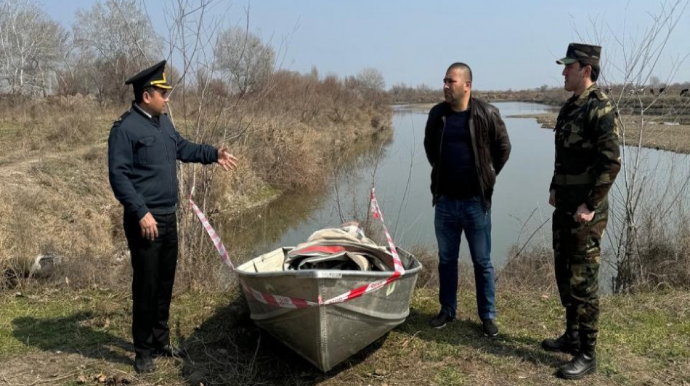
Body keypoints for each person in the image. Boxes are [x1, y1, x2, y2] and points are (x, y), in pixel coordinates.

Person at [108, 60, 238, 373]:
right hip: (146, 223)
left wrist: (213, 155)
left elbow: (183, 147)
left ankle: (160, 341)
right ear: (146, 95)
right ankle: (142, 353)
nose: (167, 98)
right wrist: (141, 212)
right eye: (162, 93)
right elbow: (119, 176)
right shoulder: (125, 130)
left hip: (169, 218)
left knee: (165, 282)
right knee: (146, 285)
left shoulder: (162, 123)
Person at [543, 43, 620, 380]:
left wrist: (591, 204)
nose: (563, 72)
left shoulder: (600, 108)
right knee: (565, 271)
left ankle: (587, 353)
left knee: (584, 281)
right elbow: (564, 157)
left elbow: (611, 162)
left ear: (586, 69)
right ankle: (571, 337)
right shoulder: (569, 108)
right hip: (565, 207)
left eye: (568, 67)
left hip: (586, 212)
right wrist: (555, 186)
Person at [423, 62, 511, 336]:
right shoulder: (438, 115)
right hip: (446, 202)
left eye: (451, 81)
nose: (446, 86)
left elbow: (503, 148)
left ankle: (487, 316)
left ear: (467, 86)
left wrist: (488, 174)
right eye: (445, 81)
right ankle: (447, 309)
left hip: (476, 203)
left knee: (482, 262)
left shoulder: (487, 113)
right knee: (446, 260)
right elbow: (430, 149)